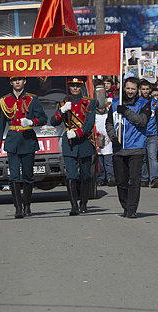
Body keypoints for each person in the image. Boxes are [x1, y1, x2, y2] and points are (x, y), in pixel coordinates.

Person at [0, 76, 47, 218]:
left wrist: (31, 121)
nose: (17, 82)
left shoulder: (32, 99)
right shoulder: (5, 101)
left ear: (25, 81)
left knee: (28, 176)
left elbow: (43, 118)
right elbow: (1, 123)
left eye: (20, 79)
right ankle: (18, 207)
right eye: (14, 80)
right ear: (11, 82)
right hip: (12, 141)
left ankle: (27, 204)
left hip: (27, 140)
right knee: (14, 177)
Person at [106, 77, 151, 219]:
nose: (130, 91)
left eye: (133, 88)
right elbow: (109, 123)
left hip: (136, 147)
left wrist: (125, 111)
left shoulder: (144, 103)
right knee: (120, 180)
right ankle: (125, 206)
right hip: (119, 148)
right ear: (123, 88)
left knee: (134, 180)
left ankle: (132, 209)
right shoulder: (115, 103)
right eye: (128, 88)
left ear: (137, 89)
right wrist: (113, 137)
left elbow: (142, 121)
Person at [51, 77, 97, 215]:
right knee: (71, 175)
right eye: (72, 85)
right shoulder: (63, 103)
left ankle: (84, 203)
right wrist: (62, 111)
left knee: (86, 175)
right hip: (69, 144)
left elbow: (89, 123)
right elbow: (53, 121)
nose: (75, 88)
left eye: (78, 85)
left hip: (84, 141)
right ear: (69, 87)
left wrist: (77, 133)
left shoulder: (89, 102)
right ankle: (74, 205)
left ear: (82, 86)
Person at [138, 79, 158, 188]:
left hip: (152, 134)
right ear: (140, 90)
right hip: (140, 134)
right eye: (143, 89)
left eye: (147, 89)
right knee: (142, 157)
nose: (145, 91)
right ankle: (144, 178)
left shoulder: (155, 102)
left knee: (152, 156)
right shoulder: (137, 102)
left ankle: (154, 178)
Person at [94, 103, 115, 186]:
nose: (101, 110)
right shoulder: (94, 116)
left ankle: (110, 177)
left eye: (103, 108)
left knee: (108, 161)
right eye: (100, 108)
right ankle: (100, 178)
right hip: (98, 139)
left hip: (108, 140)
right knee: (99, 162)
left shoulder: (108, 115)